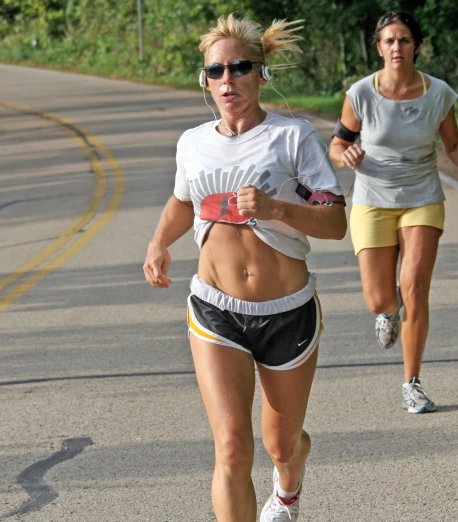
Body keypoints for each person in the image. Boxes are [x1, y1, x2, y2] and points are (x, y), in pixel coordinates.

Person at [143, 14, 347, 522]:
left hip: (288, 311)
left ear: (261, 74)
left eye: (240, 67)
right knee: (232, 447)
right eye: (216, 71)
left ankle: (288, 489)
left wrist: (277, 209)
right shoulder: (192, 142)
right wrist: (158, 242)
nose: (227, 80)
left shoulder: (293, 137)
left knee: (281, 444)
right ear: (205, 80)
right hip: (215, 309)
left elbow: (335, 222)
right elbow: (182, 201)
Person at [329, 11, 458, 414]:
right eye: (389, 41)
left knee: (414, 286)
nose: (396, 47)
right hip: (372, 198)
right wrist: (346, 153)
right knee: (380, 296)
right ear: (379, 48)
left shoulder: (438, 94)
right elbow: (337, 143)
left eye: (404, 40)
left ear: (416, 45)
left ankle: (411, 383)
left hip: (422, 196)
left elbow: (453, 146)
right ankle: (387, 312)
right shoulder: (361, 93)